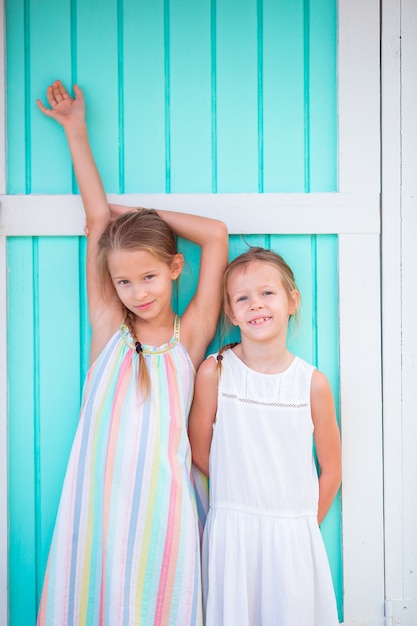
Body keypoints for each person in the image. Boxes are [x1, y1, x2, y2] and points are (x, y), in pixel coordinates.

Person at [36, 80, 228, 626]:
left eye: (149, 276)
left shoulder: (188, 339)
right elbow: (97, 224)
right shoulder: (108, 328)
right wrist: (76, 131)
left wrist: (134, 217)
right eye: (124, 281)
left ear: (174, 269)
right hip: (96, 504)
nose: (138, 291)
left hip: (163, 508)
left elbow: (215, 235)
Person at [188, 247, 342, 626]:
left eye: (267, 293)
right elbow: (200, 451)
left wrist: (298, 524)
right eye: (243, 298)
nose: (256, 304)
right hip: (232, 536)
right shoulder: (216, 373)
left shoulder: (311, 384)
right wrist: (240, 492)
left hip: (292, 537)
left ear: (292, 301)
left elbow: (332, 471)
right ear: (231, 313)